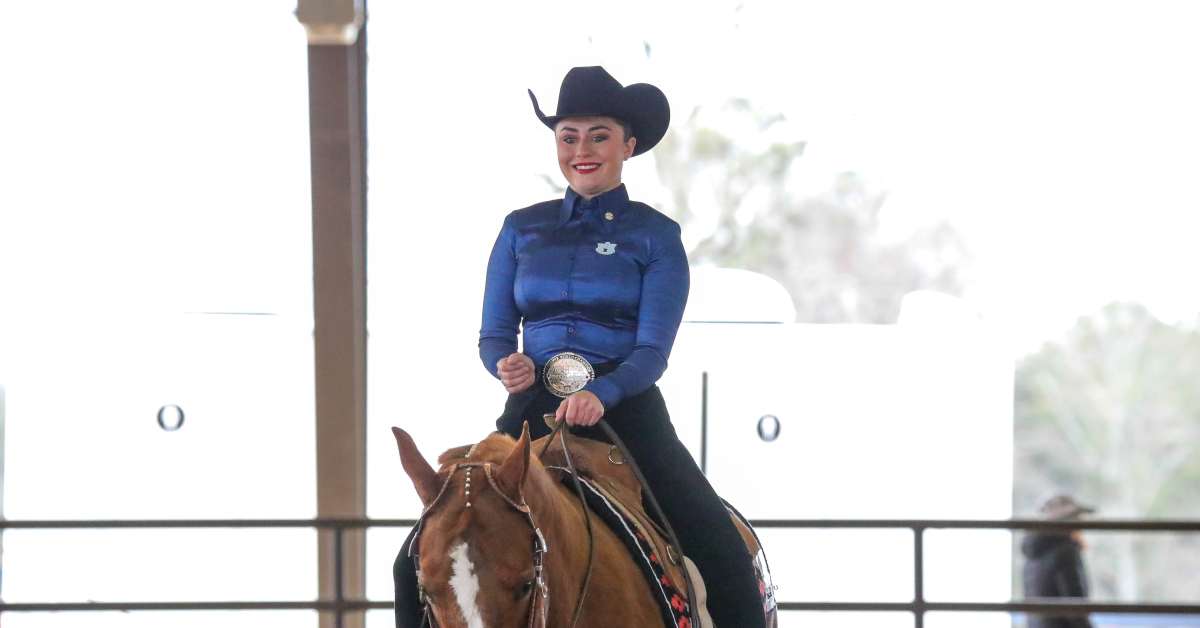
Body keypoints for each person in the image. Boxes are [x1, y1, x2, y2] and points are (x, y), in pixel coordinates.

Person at [394, 66, 766, 628]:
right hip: (529, 415)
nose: (582, 150)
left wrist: (603, 392)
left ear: (628, 145)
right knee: (413, 558)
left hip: (628, 409)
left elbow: (653, 350)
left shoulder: (656, 235)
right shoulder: (520, 229)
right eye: (569, 137)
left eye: (599, 136)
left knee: (720, 545)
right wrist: (505, 363)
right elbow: (494, 332)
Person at [1021, 494, 1096, 628]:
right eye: (1076, 517)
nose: (1081, 522)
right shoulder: (1066, 552)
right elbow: (1074, 608)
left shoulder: (1033, 554)